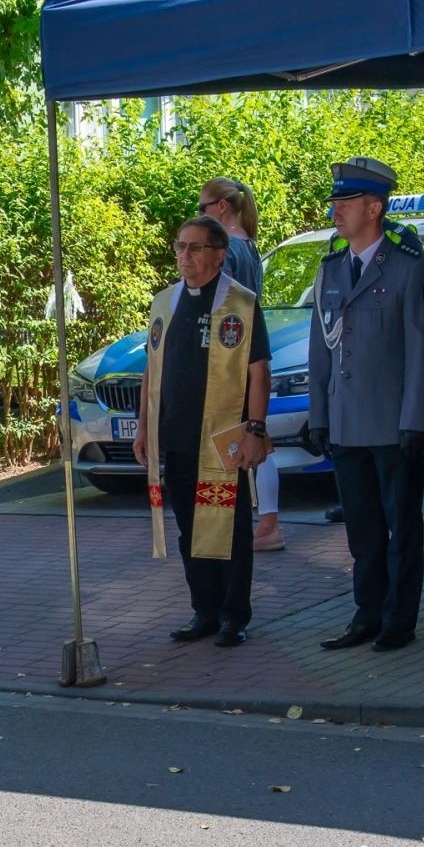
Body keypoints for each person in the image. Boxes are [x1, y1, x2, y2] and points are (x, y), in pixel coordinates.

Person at [307, 158, 424, 652]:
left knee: (400, 529)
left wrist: (416, 421)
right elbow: (320, 348)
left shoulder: (410, 269)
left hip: (392, 424)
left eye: (346, 203)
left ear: (375, 208)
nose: (336, 211)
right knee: (362, 530)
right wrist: (320, 415)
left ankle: (398, 620)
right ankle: (366, 612)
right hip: (346, 423)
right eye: (336, 202)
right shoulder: (332, 269)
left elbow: (421, 353)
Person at [134, 215, 270, 648]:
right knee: (192, 527)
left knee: (228, 527)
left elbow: (259, 371)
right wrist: (142, 427)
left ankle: (234, 614)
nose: (184, 257)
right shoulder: (165, 303)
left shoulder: (240, 304)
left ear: (218, 255)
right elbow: (151, 369)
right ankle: (204, 610)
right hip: (175, 435)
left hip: (221, 438)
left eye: (194, 248)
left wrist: (255, 428)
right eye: (180, 247)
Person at [198, 177, 280, 552]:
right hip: (251, 349)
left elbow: (221, 303)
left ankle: (238, 528)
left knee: (228, 443)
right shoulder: (250, 244)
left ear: (222, 208)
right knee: (256, 439)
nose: (199, 214)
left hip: (231, 357)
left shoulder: (227, 249)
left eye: (202, 208)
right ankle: (268, 521)